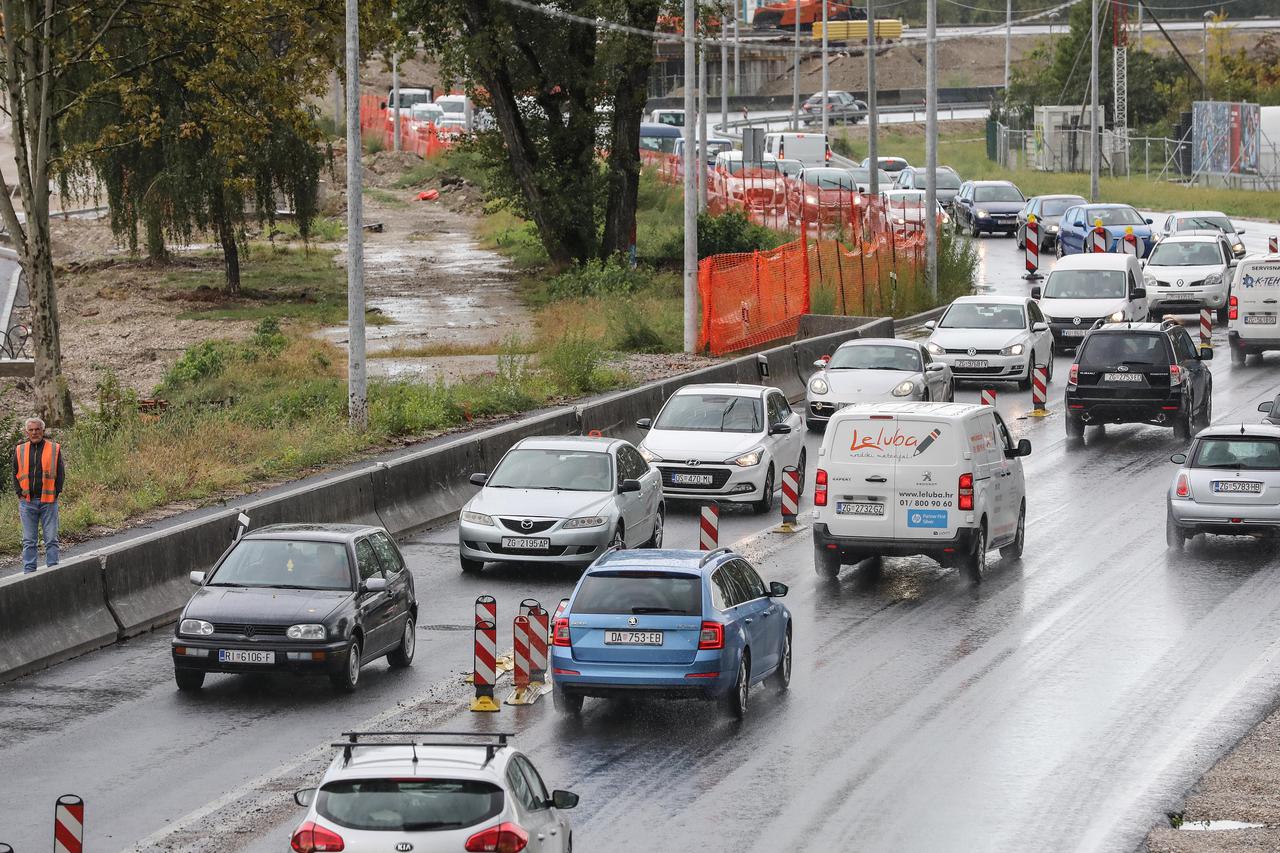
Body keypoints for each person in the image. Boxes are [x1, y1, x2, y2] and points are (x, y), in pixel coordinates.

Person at [12, 416, 64, 574]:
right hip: (27, 502)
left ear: (43, 431)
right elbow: (15, 473)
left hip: (48, 501)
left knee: (51, 540)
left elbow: (60, 473)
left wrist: (56, 492)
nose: (34, 432)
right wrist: (18, 493)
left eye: (37, 429)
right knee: (29, 540)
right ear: (26, 432)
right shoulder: (19, 449)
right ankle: (29, 573)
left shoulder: (54, 448)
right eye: (31, 430)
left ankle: (53, 570)